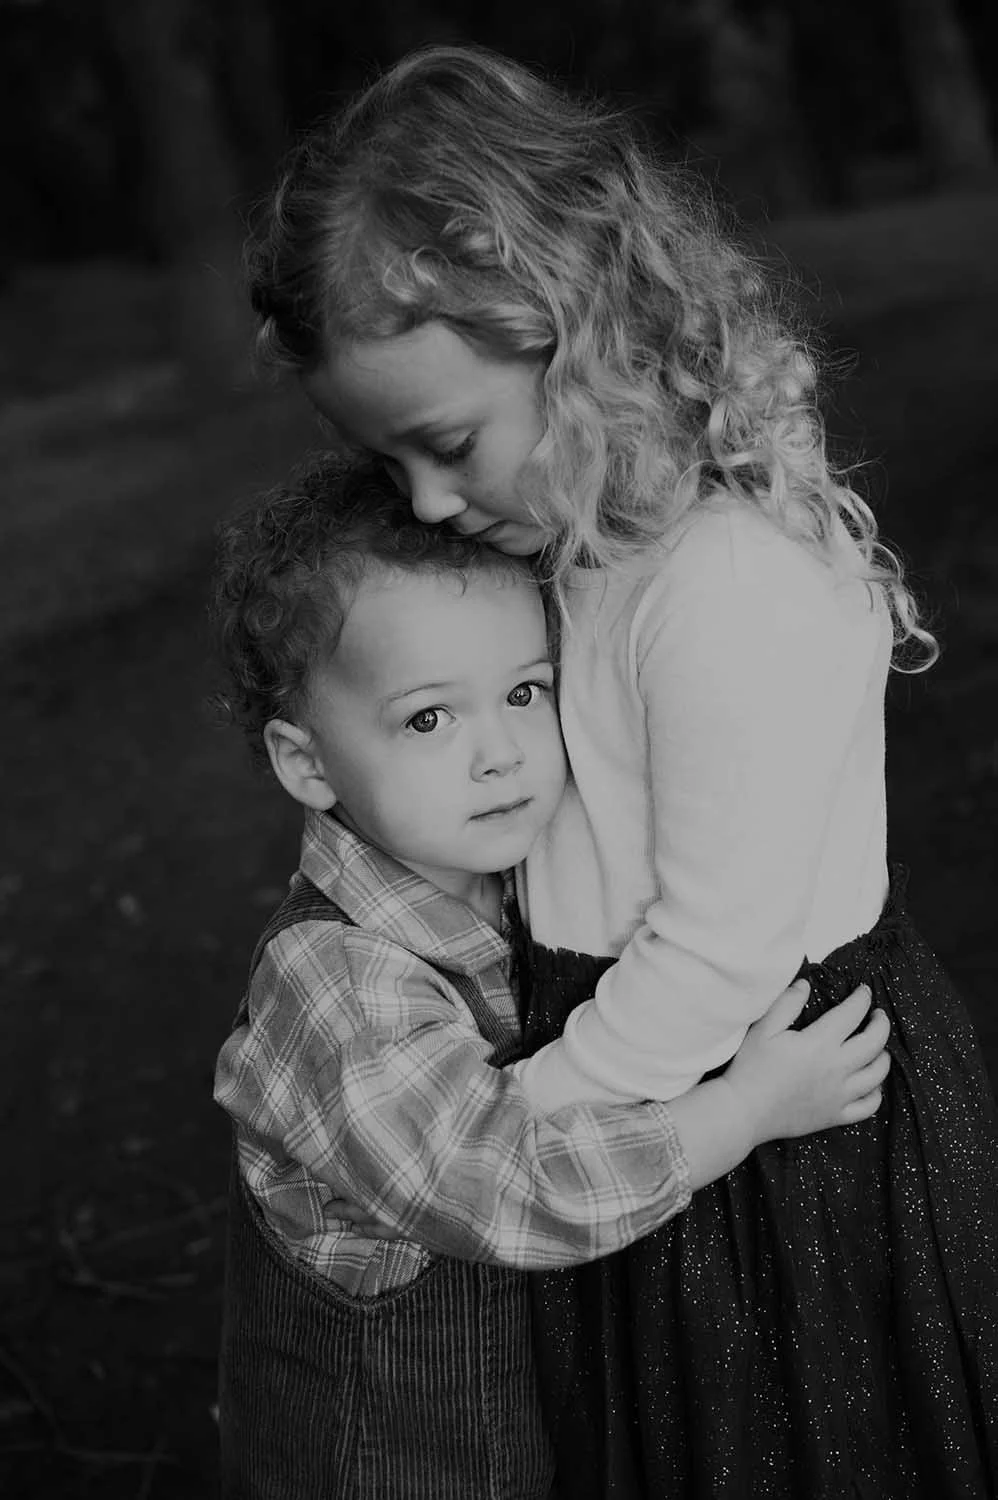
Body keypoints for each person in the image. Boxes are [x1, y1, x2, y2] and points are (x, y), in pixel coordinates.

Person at [243, 43, 998, 1499]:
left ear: (571, 328)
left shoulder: (723, 578)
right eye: (389, 464)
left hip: (754, 1110)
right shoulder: (587, 527)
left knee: (780, 1438)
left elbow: (716, 949)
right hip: (641, 1095)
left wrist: (503, 1137)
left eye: (446, 444)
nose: (428, 503)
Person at [210, 455, 887, 1500]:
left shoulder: (490, 880)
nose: (501, 755)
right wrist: (740, 1112)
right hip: (380, 1462)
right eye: (429, 718)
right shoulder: (336, 985)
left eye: (524, 692)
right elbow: (505, 1184)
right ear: (307, 764)